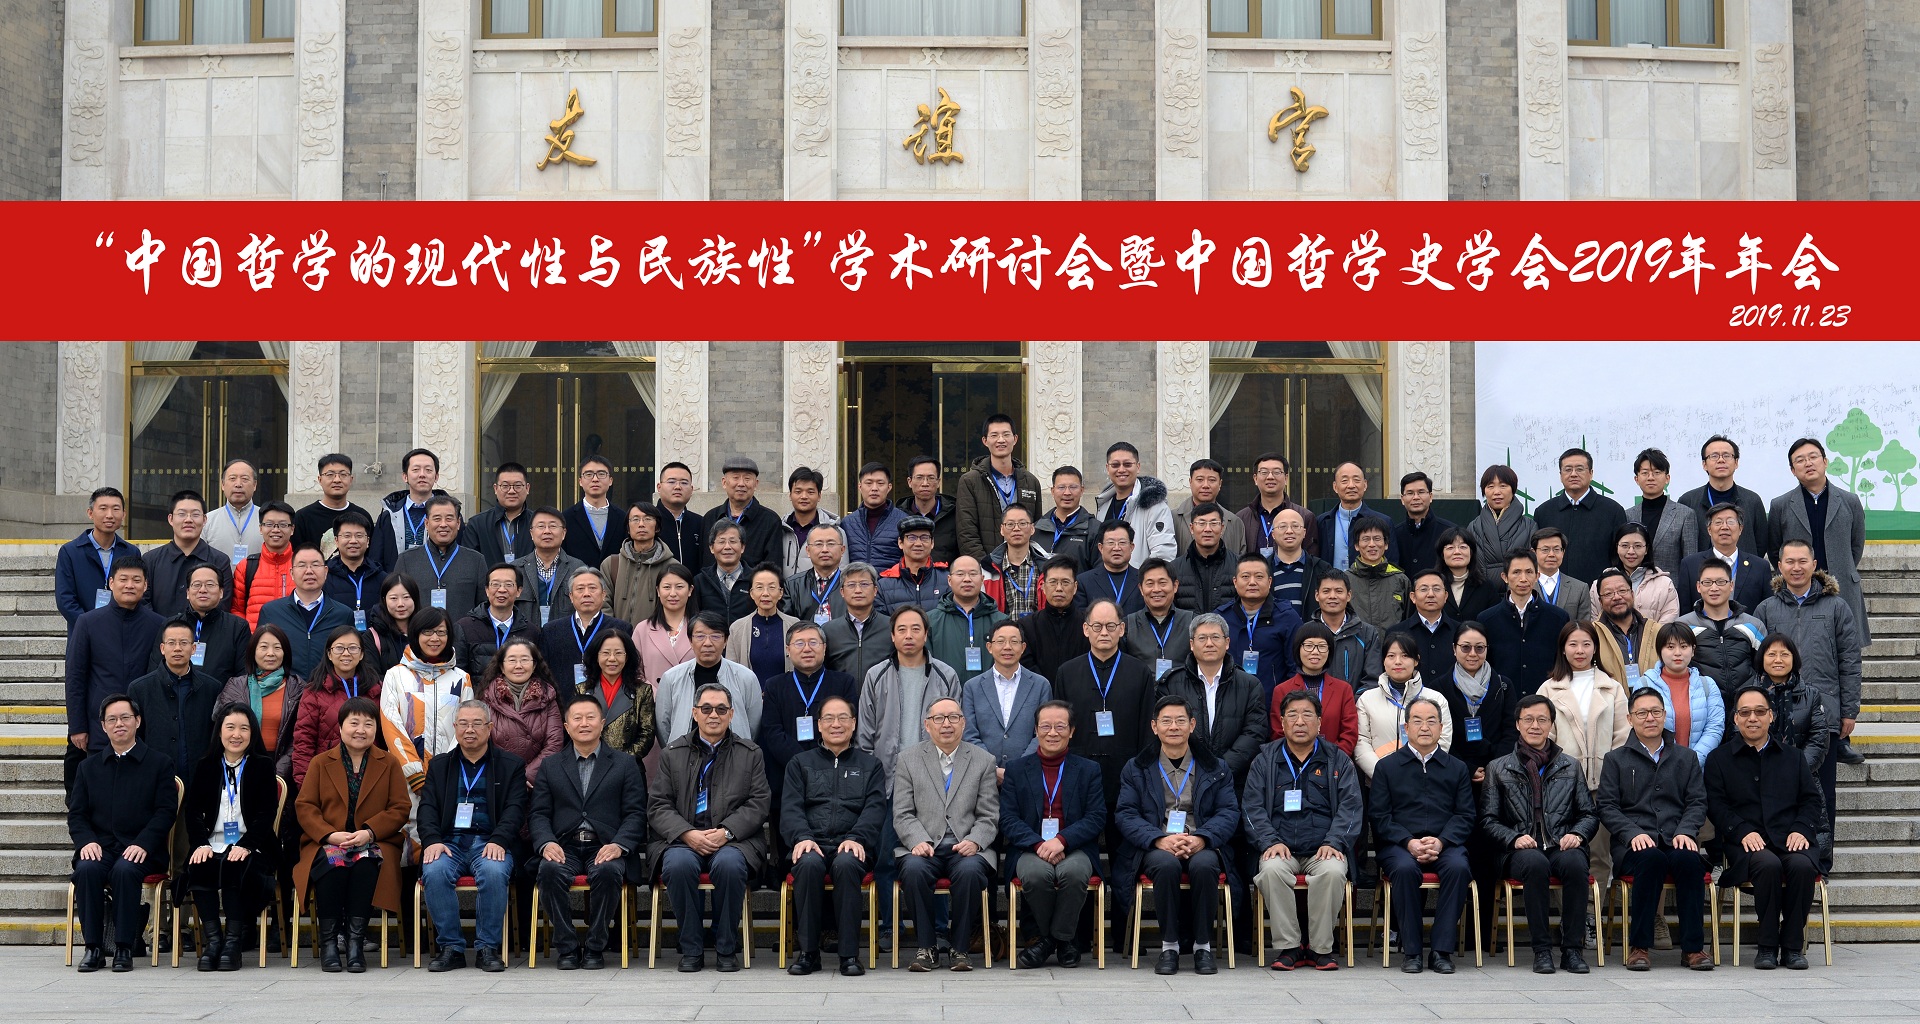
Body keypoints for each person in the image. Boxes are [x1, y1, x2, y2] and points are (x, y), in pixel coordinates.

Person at [852, 605, 962, 934]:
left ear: (926, 634)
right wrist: (873, 777)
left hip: (935, 782)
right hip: (888, 781)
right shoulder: (876, 675)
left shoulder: (945, 674)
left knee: (933, 855)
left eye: (916, 629)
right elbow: (865, 735)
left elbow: (956, 729)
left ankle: (938, 929)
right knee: (887, 858)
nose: (909, 635)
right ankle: (890, 927)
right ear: (892, 635)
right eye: (902, 629)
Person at [650, 683, 772, 973]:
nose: (713, 715)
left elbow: (759, 802)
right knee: (678, 865)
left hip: (734, 840)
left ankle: (725, 946)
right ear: (694, 713)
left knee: (729, 865)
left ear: (731, 714)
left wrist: (726, 832)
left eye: (720, 709)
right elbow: (658, 805)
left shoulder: (750, 753)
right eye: (706, 709)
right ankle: (691, 947)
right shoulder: (672, 753)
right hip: (682, 839)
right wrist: (686, 833)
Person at [1115, 694, 1238, 976]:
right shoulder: (1136, 767)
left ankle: (1202, 947)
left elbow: (1228, 812)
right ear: (1154, 726)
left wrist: (1202, 838)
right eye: (1166, 721)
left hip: (1201, 842)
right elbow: (1126, 814)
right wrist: (1158, 839)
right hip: (1156, 845)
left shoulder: (1215, 767)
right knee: (1166, 865)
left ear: (1192, 725)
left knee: (1205, 865)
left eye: (1180, 720)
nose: (1174, 727)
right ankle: (1169, 947)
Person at [1705, 685, 1825, 970]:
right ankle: (1767, 946)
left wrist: (1801, 828)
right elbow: (1716, 806)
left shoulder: (1793, 757)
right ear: (1735, 718)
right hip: (1745, 844)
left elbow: (1811, 800)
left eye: (1760, 712)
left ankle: (1793, 946)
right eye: (1745, 712)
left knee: (1802, 866)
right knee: (1767, 864)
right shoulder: (1719, 759)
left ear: (1771, 716)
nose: (1753, 718)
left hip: (1790, 838)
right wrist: (1741, 830)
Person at [1597, 685, 1715, 972]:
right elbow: (1607, 806)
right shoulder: (1615, 759)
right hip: (1633, 845)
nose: (1649, 718)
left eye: (1655, 712)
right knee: (1651, 859)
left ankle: (1693, 949)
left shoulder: (1686, 757)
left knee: (1690, 861)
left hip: (1676, 838)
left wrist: (1686, 831)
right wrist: (1632, 833)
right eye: (1642, 713)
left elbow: (1697, 802)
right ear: (1630, 719)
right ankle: (1639, 947)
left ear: (1665, 715)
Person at [1754, 538, 1860, 853]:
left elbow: (1850, 660)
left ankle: (1820, 858)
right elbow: (1756, 663)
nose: (1796, 567)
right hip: (1776, 716)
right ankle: (1780, 857)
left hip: (1822, 716)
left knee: (1822, 792)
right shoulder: (1766, 608)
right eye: (1790, 561)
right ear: (1779, 566)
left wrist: (1849, 710)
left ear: (1814, 565)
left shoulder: (1836, 607)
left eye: (1803, 561)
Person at [1766, 438, 1871, 755]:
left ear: (1825, 461)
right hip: (1798, 591)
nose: (1808, 463)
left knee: (1840, 660)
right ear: (1792, 469)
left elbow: (1855, 546)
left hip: (1839, 592)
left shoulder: (1849, 500)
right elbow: (1774, 548)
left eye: (1813, 457)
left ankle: (1840, 738)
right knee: (1799, 657)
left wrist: (1836, 574)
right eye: (1800, 460)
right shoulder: (1781, 505)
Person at [1246, 690, 1362, 971]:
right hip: (1280, 846)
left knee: (1333, 872)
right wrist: (1269, 841)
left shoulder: (1337, 760)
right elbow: (1252, 807)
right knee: (1271, 871)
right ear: (1282, 722)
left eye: (1307, 714)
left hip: (1323, 848)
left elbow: (1351, 806)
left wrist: (1334, 841)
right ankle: (1289, 947)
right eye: (1292, 715)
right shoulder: (1265, 760)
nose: (1300, 721)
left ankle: (1320, 949)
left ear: (1319, 722)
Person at [530, 693, 648, 970]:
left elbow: (635, 814)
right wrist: (546, 842)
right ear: (566, 726)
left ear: (602, 723)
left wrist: (619, 844)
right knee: (549, 871)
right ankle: (567, 947)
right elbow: (538, 814)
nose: (584, 723)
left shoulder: (625, 764)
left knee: (608, 872)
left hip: (605, 845)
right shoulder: (551, 765)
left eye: (590, 717)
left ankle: (595, 946)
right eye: (577, 718)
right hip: (565, 845)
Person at [293, 696, 410, 974]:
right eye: (354, 723)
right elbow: (305, 806)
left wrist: (369, 832)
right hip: (328, 842)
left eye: (368, 724)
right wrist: (329, 835)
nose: (361, 730)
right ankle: (330, 943)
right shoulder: (321, 762)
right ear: (341, 726)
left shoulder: (389, 762)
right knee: (334, 862)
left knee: (366, 863)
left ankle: (355, 943)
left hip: (374, 841)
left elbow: (400, 807)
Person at [1479, 694, 1595, 974]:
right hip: (1518, 850)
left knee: (1576, 863)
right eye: (1528, 719)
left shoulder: (1570, 765)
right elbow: (1488, 820)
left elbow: (1589, 814)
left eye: (1542, 719)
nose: (1535, 725)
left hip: (1560, 843)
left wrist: (1577, 834)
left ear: (1551, 724)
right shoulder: (1498, 767)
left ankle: (1572, 950)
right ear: (1517, 724)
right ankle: (1542, 950)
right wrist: (1513, 838)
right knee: (1535, 863)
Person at [68, 694, 177, 973]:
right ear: (103, 726)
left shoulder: (159, 763)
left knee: (125, 870)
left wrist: (144, 843)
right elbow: (77, 814)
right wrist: (86, 841)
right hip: (101, 846)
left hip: (142, 848)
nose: (119, 724)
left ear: (137, 721)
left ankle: (124, 947)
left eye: (125, 717)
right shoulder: (88, 767)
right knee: (87, 869)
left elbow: (165, 812)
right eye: (112, 719)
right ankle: (93, 947)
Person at [418, 699, 528, 973]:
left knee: (493, 871)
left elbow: (515, 809)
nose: (470, 730)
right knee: (434, 870)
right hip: (450, 843)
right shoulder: (440, 765)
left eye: (477, 724)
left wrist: (499, 839)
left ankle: (487, 948)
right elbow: (427, 807)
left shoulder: (510, 765)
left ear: (489, 728)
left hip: (490, 841)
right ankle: (451, 948)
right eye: (464, 724)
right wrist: (432, 840)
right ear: (455, 727)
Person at [781, 694, 887, 976]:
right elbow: (790, 807)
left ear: (854, 723)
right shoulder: (799, 763)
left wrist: (857, 837)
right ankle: (808, 953)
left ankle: (849, 955)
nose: (836, 724)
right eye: (829, 718)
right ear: (819, 725)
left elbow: (875, 809)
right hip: (811, 842)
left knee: (847, 864)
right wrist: (802, 837)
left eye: (843, 718)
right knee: (807, 864)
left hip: (852, 843)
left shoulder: (871, 765)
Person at [1369, 694, 1474, 974]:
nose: (1424, 727)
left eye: (1431, 721)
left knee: (1459, 867)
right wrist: (1409, 842)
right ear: (1406, 727)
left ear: (1441, 727)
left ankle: (1441, 951)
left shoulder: (1456, 768)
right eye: (1417, 721)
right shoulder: (1387, 767)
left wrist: (1441, 841)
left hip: (1445, 844)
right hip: (1400, 845)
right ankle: (1412, 951)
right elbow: (1379, 816)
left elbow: (1465, 815)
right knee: (1404, 870)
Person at [893, 697, 999, 972]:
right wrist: (917, 840)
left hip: (965, 846)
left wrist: (975, 840)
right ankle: (926, 947)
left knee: (971, 872)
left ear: (963, 723)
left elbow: (989, 815)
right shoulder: (908, 759)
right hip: (924, 846)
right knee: (913, 870)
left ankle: (960, 948)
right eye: (938, 718)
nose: (946, 724)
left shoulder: (983, 760)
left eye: (953, 717)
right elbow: (902, 812)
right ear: (927, 725)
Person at [1002, 700, 1107, 970]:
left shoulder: (1088, 769)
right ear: (1036, 730)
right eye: (1045, 726)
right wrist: (1039, 844)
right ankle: (1064, 942)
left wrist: (1062, 840)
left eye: (1060, 726)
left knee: (1074, 873)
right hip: (1031, 848)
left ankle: (1049, 941)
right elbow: (1008, 819)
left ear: (1071, 731)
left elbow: (1096, 816)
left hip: (1074, 846)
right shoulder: (1016, 770)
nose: (1052, 733)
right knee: (1036, 875)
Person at [182, 702, 281, 972]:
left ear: (252, 733)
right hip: (212, 842)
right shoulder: (206, 765)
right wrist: (200, 844)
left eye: (244, 728)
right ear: (219, 731)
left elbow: (266, 814)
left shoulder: (262, 765)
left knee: (235, 865)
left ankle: (233, 944)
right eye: (230, 728)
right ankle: (214, 942)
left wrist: (247, 846)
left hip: (253, 844)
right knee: (199, 865)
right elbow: (193, 811)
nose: (236, 734)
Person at [1537, 622, 1630, 902]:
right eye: (1573, 644)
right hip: (1560, 786)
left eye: (1586, 644)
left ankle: (1593, 914)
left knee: (1599, 854)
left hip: (1603, 784)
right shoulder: (1549, 688)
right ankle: (1569, 915)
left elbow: (1622, 734)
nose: (1580, 650)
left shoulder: (1611, 687)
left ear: (1595, 648)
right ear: (1563, 649)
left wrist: (1612, 773)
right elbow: (1542, 735)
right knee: (1563, 851)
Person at [65, 556, 164, 789]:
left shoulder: (158, 624)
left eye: (136, 580)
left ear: (145, 585)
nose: (130, 585)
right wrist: (77, 727)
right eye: (123, 579)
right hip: (100, 726)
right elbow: (75, 677)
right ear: (111, 583)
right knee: (99, 793)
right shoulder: (88, 622)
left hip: (144, 728)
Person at [1051, 600, 1157, 814]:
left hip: (1126, 773)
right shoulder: (1067, 672)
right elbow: (1060, 726)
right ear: (1086, 629)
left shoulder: (1139, 672)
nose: (1104, 632)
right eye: (1097, 626)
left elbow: (1147, 728)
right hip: (1078, 770)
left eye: (1111, 626)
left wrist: (1141, 771)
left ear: (1122, 629)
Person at [757, 621, 858, 811]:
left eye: (813, 642)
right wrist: (803, 763)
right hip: (787, 775)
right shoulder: (774, 685)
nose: (807, 649)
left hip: (834, 772)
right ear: (788, 650)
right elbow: (772, 732)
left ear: (824, 648)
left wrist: (821, 762)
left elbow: (848, 727)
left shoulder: (844, 683)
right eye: (799, 643)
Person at [1158, 611, 1268, 787]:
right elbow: (1166, 730)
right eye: (1202, 638)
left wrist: (1221, 769)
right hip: (1184, 779)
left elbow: (1254, 733)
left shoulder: (1250, 685)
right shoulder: (1171, 683)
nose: (1209, 643)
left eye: (1215, 637)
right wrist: (1193, 769)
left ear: (1227, 642)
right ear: (1192, 644)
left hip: (1233, 780)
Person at [377, 608, 469, 798]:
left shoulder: (461, 679)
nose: (435, 638)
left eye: (441, 632)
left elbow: (466, 727)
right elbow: (391, 724)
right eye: (427, 632)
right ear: (415, 634)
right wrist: (414, 773)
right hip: (406, 779)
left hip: (449, 777)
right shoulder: (395, 675)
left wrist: (447, 767)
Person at [127, 618, 224, 789]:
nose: (177, 648)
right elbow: (135, 737)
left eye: (184, 643)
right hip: (155, 778)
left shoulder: (211, 688)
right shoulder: (140, 688)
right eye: (171, 643)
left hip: (200, 777)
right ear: (162, 648)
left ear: (193, 649)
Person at [1354, 632, 1455, 779]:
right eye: (1391, 656)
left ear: (1416, 660)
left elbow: (1443, 740)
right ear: (1383, 661)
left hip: (1424, 780)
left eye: (1405, 656)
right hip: (1380, 781)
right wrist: (1382, 775)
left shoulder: (1436, 699)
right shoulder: (1367, 699)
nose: (1398, 661)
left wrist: (1420, 773)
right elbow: (1361, 742)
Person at [1677, 559, 1768, 720]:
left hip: (1746, 711)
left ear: (1731, 585)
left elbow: (1764, 668)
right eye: (1707, 582)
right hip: (1702, 710)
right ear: (1698, 587)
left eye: (1721, 582)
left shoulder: (1753, 625)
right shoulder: (1683, 626)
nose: (1714, 588)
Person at [657, 612, 765, 747]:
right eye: (700, 636)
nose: (707, 643)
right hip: (684, 754)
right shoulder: (671, 678)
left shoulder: (746, 678)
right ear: (690, 641)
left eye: (715, 636)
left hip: (734, 754)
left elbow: (753, 724)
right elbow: (663, 725)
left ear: (725, 641)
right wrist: (675, 753)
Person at [291, 627, 381, 789]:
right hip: (329, 776)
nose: (346, 653)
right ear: (329, 654)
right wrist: (306, 786)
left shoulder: (376, 689)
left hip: (371, 776)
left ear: (361, 654)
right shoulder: (315, 691)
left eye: (353, 648)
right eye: (339, 648)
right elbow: (304, 741)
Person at [961, 621, 1050, 775]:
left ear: (1023, 648)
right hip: (983, 775)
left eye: (1014, 642)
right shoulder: (972, 687)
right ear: (989, 647)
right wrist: (992, 769)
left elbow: (1043, 732)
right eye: (1000, 641)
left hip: (1028, 772)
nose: (1007, 647)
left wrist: (1018, 768)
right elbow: (969, 734)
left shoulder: (1040, 685)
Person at [1629, 623, 1726, 764]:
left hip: (1698, 767)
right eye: (1670, 647)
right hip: (1657, 766)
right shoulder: (1645, 684)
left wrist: (1692, 761)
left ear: (1693, 650)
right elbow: (1640, 727)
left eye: (1684, 646)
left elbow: (1715, 727)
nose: (1677, 653)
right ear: (1660, 651)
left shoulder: (1708, 685)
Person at [258, 543, 357, 680]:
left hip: (328, 689)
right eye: (302, 565)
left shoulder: (343, 614)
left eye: (315, 565)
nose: (309, 571)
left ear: (326, 571)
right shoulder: (271, 612)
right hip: (284, 688)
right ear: (292, 573)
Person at [955, 414, 1045, 564]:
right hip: (986, 567)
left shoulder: (1031, 481)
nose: (1001, 440)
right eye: (994, 435)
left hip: (1024, 565)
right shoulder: (970, 481)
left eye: (1006, 434)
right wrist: (987, 566)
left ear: (1015, 439)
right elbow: (966, 533)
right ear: (985, 441)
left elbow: (1036, 527)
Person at [1532, 448, 1629, 586]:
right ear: (1560, 475)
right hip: (1553, 591)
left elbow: (1620, 557)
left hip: (1599, 591)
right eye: (1568, 469)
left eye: (1579, 469)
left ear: (1591, 473)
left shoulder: (1612, 510)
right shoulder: (1544, 512)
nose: (1573, 474)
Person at [1481, 550, 1571, 695]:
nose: (1523, 579)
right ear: (1505, 577)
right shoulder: (1487, 619)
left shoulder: (1558, 618)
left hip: (1547, 698)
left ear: (1537, 576)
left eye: (1529, 572)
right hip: (1502, 700)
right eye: (1516, 572)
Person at [478, 638, 564, 781]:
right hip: (498, 778)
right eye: (512, 660)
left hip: (536, 781)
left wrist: (526, 776)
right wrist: (505, 777)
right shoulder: (487, 698)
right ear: (501, 666)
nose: (519, 666)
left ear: (534, 665)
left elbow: (554, 744)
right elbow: (480, 743)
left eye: (524, 660)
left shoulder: (547, 697)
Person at [1218, 553, 1302, 695]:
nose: (1252, 582)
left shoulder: (1287, 617)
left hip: (1272, 701)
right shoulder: (1221, 618)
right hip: (1229, 700)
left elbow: (1296, 668)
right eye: (1245, 576)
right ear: (1235, 582)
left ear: (1269, 582)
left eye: (1259, 576)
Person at [55, 486, 137, 629]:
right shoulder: (70, 552)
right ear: (90, 513)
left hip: (121, 631)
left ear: (124, 514)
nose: (110, 515)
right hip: (83, 632)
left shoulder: (131, 552)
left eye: (116, 509)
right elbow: (65, 600)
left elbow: (136, 595)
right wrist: (90, 627)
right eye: (103, 508)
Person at [143, 490, 234, 617]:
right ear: (170, 519)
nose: (188, 520)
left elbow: (223, 605)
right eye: (182, 514)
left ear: (204, 519)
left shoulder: (220, 561)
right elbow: (143, 602)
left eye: (195, 514)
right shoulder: (150, 560)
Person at [393, 495, 487, 619]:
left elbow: (484, 607)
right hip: (420, 630)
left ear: (458, 523)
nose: (443, 524)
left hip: (462, 631)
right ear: (427, 523)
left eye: (449, 519)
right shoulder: (406, 560)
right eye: (437, 519)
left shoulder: (476, 560)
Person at [1273, 622, 1359, 754]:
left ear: (1329, 651)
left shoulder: (1343, 690)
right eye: (1308, 646)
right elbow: (1278, 733)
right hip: (1294, 761)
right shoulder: (1282, 690)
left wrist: (1333, 759)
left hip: (1335, 760)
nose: (1315, 652)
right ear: (1298, 649)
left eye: (1322, 646)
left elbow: (1349, 733)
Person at [540, 567, 631, 692]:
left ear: (603, 594)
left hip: (607, 701)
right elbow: (544, 674)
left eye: (592, 588)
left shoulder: (621, 629)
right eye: (580, 589)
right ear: (571, 596)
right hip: (563, 701)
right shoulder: (551, 630)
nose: (586, 593)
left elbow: (629, 670)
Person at [158, 564, 252, 683]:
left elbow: (243, 676)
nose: (203, 590)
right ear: (188, 592)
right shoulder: (170, 625)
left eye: (210, 585)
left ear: (221, 592)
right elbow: (156, 670)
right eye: (197, 585)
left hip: (221, 694)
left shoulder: (238, 627)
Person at [1678, 435, 1769, 556]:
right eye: (1714, 456)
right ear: (1704, 464)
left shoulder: (1752, 500)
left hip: (1743, 567)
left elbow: (1761, 543)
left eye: (1727, 455)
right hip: (1701, 567)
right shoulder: (1688, 501)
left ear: (1736, 462)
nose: (1721, 460)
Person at [1754, 635, 1832, 773]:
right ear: (1762, 658)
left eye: (1784, 654)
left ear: (1794, 658)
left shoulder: (1811, 695)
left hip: (1800, 774)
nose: (1778, 660)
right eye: (1771, 654)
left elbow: (1819, 738)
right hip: (1756, 776)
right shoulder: (1748, 695)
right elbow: (1737, 735)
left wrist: (1798, 769)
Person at [1678, 505, 1774, 612]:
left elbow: (1767, 610)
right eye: (1718, 522)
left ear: (1740, 529)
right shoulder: (1690, 565)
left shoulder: (1760, 567)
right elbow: (1684, 610)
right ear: (1709, 530)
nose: (1724, 527)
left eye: (1730, 522)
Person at [1094, 442, 1176, 565]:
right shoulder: (1104, 505)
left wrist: (1145, 577)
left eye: (1127, 464)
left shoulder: (1154, 506)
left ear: (1138, 467)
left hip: (1139, 576)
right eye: (1115, 465)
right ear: (1107, 468)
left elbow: (1163, 553)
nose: (1121, 470)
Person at [455, 563, 541, 679]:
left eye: (508, 585)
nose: (501, 590)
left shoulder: (531, 632)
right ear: (487, 590)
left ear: (519, 591)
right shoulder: (465, 627)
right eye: (495, 584)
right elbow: (458, 674)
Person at [370, 448, 449, 574]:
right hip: (397, 583)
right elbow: (375, 560)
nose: (422, 474)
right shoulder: (389, 514)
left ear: (436, 477)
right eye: (416, 470)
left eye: (428, 470)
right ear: (405, 476)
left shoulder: (450, 515)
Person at [928, 555, 1009, 676]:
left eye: (973, 574)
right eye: (960, 574)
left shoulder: (1001, 622)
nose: (967, 579)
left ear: (982, 579)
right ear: (949, 580)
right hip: (945, 688)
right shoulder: (931, 621)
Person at [1586, 523, 1679, 623]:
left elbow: (1669, 621)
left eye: (1637, 546)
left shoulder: (1665, 584)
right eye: (1625, 546)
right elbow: (1595, 623)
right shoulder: (1599, 585)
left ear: (1646, 549)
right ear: (1617, 547)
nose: (1631, 551)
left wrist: (1650, 633)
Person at [1626, 449, 1700, 574]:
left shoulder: (1685, 515)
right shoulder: (1628, 515)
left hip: (1672, 585)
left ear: (1667, 478)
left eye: (1657, 472)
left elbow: (1690, 561)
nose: (1651, 477)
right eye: (1645, 473)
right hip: (1635, 585)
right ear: (1636, 479)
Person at [586, 630, 656, 762]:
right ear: (596, 656)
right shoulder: (583, 690)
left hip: (628, 766)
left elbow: (647, 734)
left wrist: (621, 762)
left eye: (618, 653)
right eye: (606, 653)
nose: (612, 658)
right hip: (590, 763)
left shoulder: (642, 691)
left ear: (627, 657)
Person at [604, 503, 678, 625]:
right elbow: (603, 603)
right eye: (635, 519)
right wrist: (614, 631)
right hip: (616, 634)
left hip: (655, 634)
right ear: (628, 528)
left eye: (648, 519)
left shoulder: (671, 566)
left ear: (657, 527)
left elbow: (675, 607)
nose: (641, 524)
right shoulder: (611, 564)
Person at [229, 501, 298, 629]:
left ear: (292, 529)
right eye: (269, 524)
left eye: (283, 525)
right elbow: (237, 609)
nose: (276, 530)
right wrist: (247, 636)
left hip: (292, 639)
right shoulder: (246, 566)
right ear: (261, 528)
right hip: (256, 639)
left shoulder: (301, 566)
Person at [513, 507, 585, 629]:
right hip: (524, 637)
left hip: (565, 636)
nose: (547, 531)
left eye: (553, 526)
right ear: (531, 533)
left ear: (563, 533)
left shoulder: (578, 569)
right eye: (541, 526)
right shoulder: (515, 569)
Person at [1316, 462, 1397, 571]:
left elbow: (1392, 563)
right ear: (1335, 487)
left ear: (1365, 485)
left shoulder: (1384, 522)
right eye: (1344, 481)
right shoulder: (1322, 521)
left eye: (1356, 480)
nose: (1351, 485)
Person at [823, 562, 893, 687]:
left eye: (864, 584)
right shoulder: (829, 631)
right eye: (851, 585)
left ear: (875, 590)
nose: (858, 590)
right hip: (842, 697)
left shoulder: (891, 627)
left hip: (883, 697)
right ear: (842, 592)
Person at [705, 456, 782, 569]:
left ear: (755, 484)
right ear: (724, 482)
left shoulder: (770, 521)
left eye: (747, 479)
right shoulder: (710, 518)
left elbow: (773, 569)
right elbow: (705, 563)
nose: (741, 484)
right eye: (735, 478)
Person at [1236, 452, 1317, 559]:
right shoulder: (1241, 518)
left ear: (1286, 478)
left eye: (1277, 472)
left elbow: (1311, 559)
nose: (1270, 477)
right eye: (1264, 472)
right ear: (1255, 479)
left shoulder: (1305, 516)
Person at [1018, 556, 1090, 676]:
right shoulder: (1027, 626)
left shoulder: (1089, 625)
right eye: (1053, 582)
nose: (1059, 588)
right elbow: (1026, 666)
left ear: (1075, 587)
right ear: (1043, 587)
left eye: (1065, 582)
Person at [1313, 570, 1385, 686]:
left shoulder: (1367, 633)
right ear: (1317, 595)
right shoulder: (1307, 632)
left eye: (1339, 591)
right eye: (1326, 591)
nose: (1332, 596)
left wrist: (1351, 698)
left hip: (1357, 698)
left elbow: (1372, 679)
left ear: (1348, 595)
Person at [728, 564, 797, 681]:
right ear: (751, 593)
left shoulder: (794, 626)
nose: (765, 593)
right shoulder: (737, 628)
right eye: (759, 587)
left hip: (786, 692)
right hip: (749, 692)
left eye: (771, 587)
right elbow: (731, 672)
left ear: (780, 593)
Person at [1127, 558, 1194, 677]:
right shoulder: (1128, 625)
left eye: (1162, 583)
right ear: (1141, 589)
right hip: (1142, 688)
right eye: (1150, 584)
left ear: (1175, 586)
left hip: (1182, 688)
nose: (1156, 589)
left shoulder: (1192, 622)